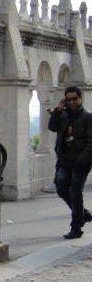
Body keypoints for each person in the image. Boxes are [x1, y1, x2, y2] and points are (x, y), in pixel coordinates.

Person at [48, 85, 92, 239]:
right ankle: (83, 214)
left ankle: (76, 228)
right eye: (68, 100)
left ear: (80, 99)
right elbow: (52, 127)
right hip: (64, 160)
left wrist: (82, 160)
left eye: (74, 99)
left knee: (75, 192)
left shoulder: (88, 117)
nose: (72, 102)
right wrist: (57, 111)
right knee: (60, 188)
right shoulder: (64, 115)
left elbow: (90, 142)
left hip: (80, 163)